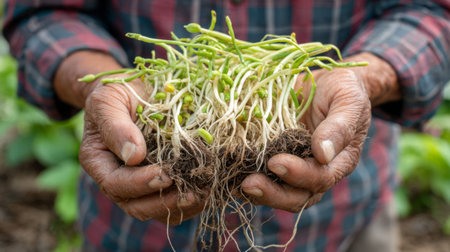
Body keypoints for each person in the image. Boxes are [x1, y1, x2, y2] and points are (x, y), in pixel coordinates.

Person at [3, 1, 449, 251]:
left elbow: (431, 12)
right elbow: (43, 14)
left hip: (345, 219)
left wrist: (362, 78)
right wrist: (103, 83)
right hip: (136, 234)